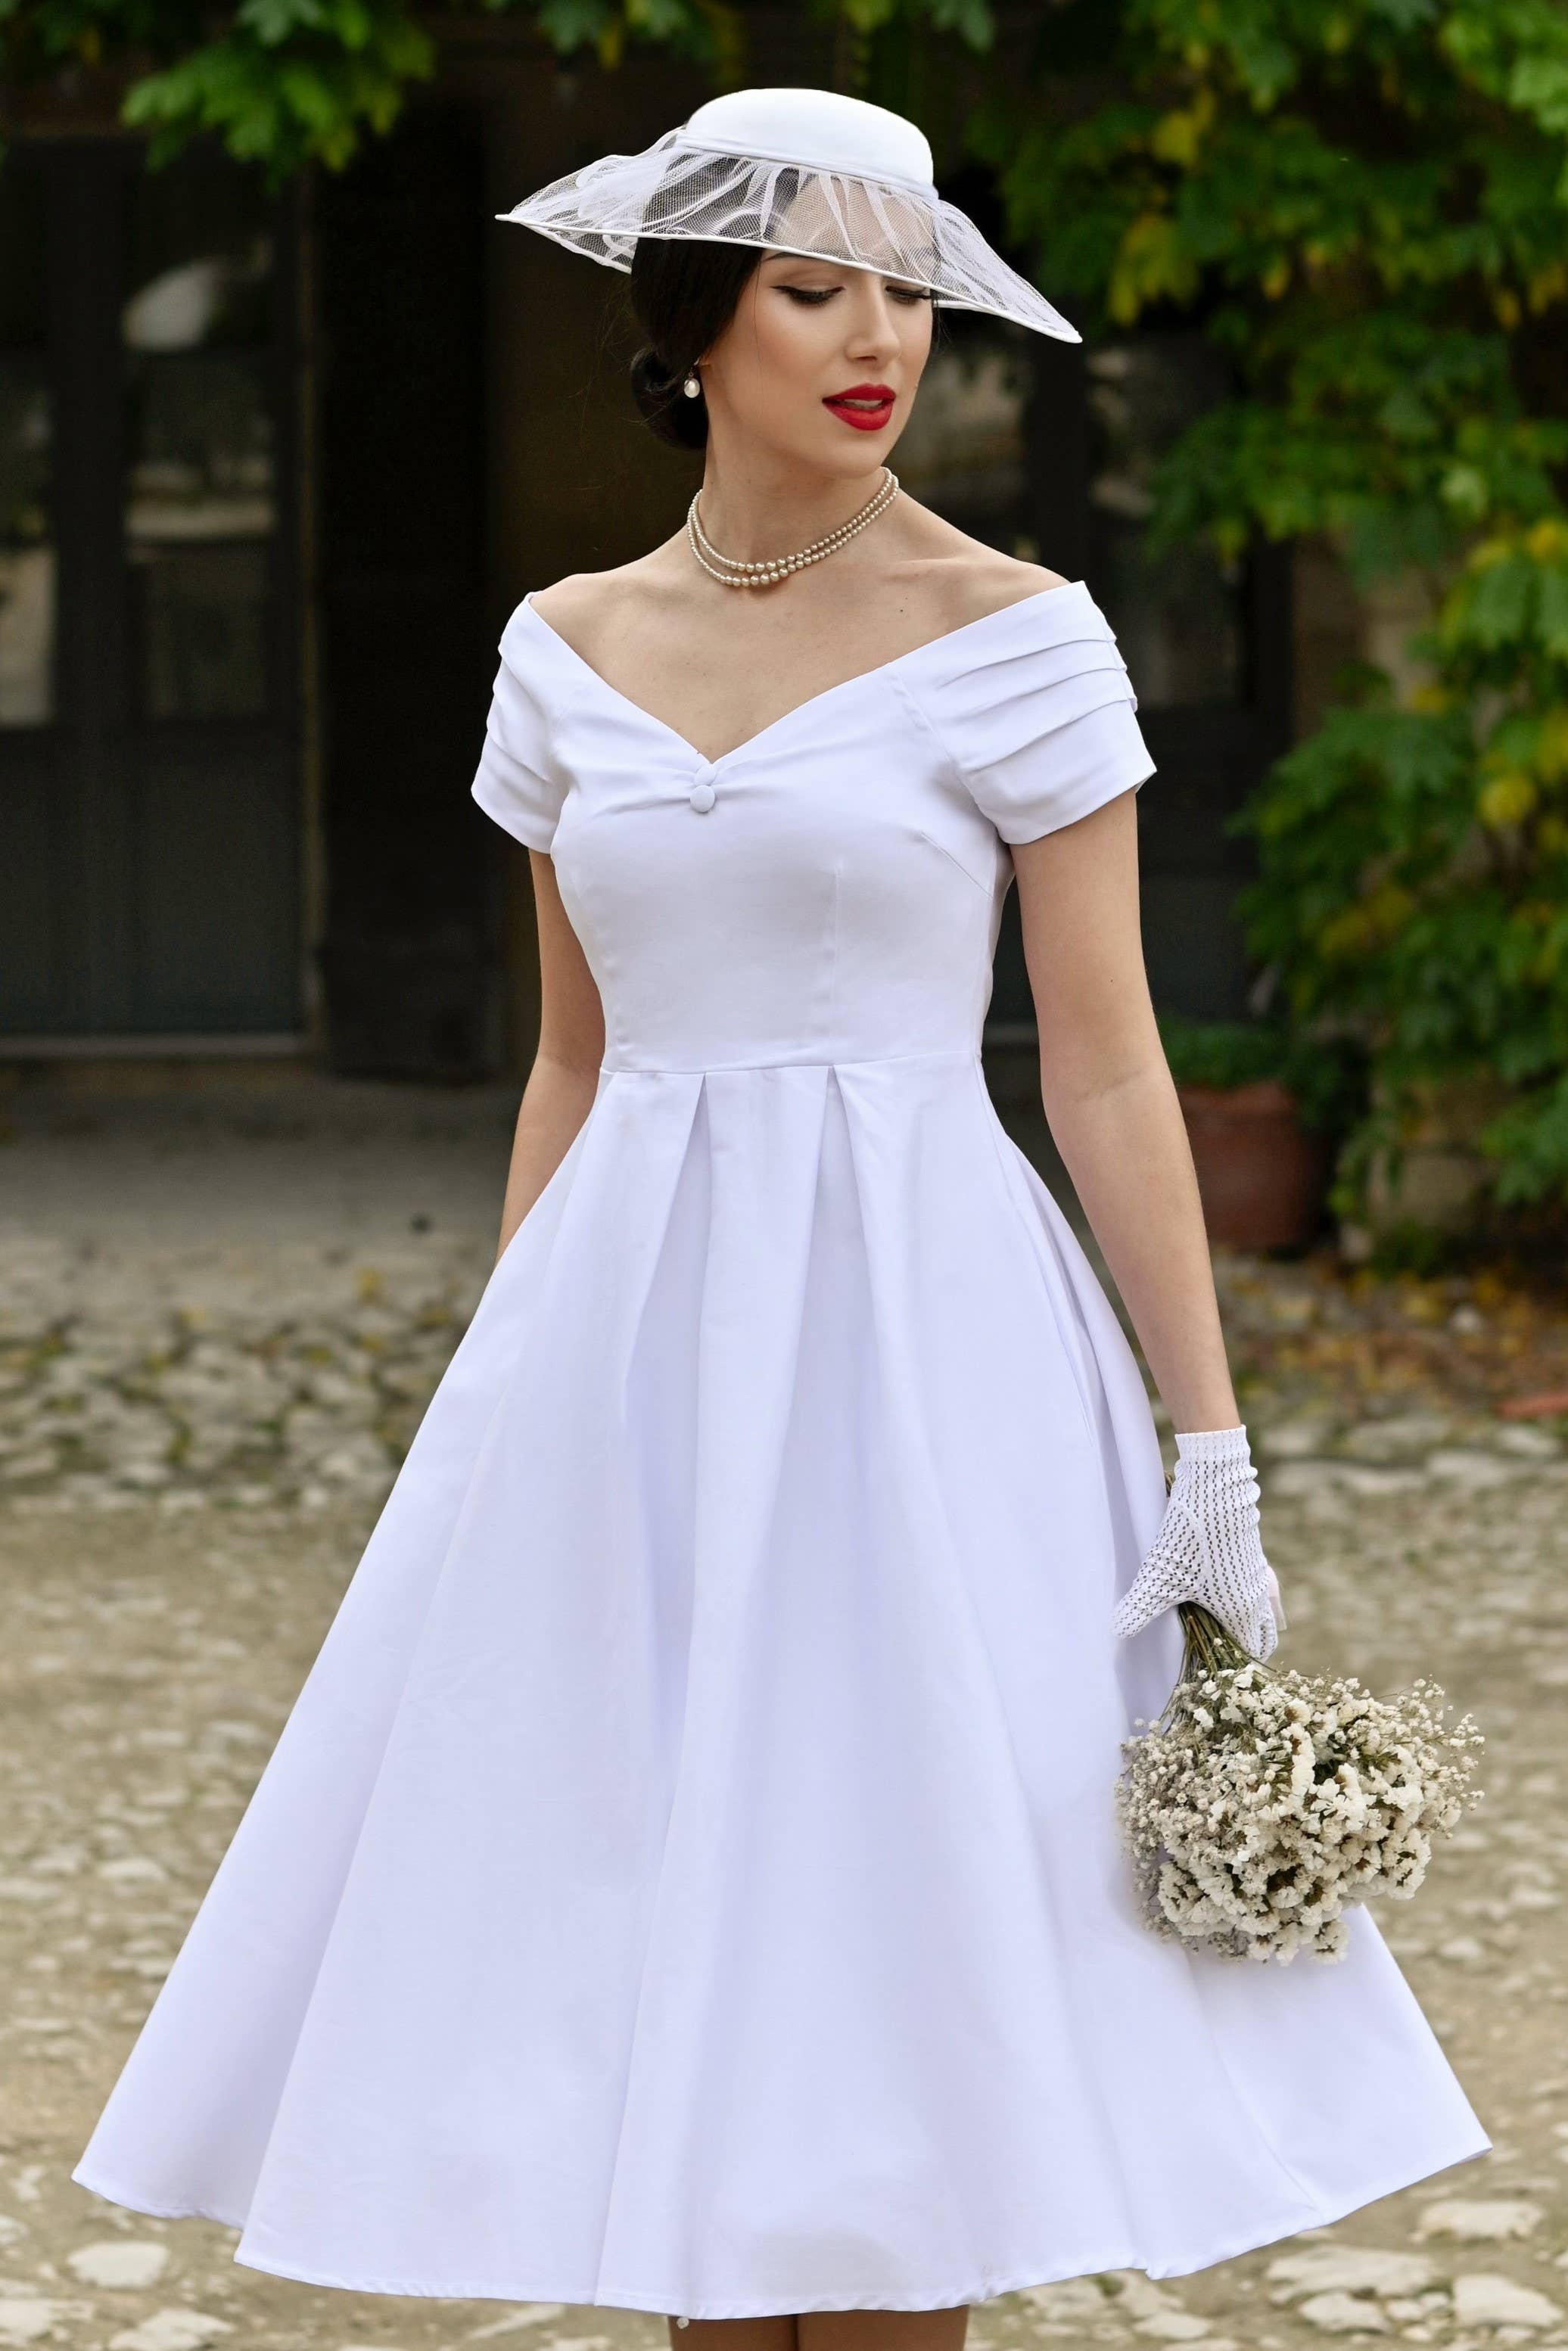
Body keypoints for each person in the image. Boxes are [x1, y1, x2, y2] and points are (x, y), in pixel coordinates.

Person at [72, 82, 1487, 2351]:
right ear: (696, 326)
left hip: (929, 1354)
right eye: (819, 290)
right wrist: (515, 1396)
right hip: (629, 1354)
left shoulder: (1020, 631)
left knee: (895, 1955)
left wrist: (1210, 1447)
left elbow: (1107, 1067)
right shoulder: (564, 648)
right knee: (658, 1944)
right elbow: (571, 1061)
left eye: (909, 293)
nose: (881, 340)